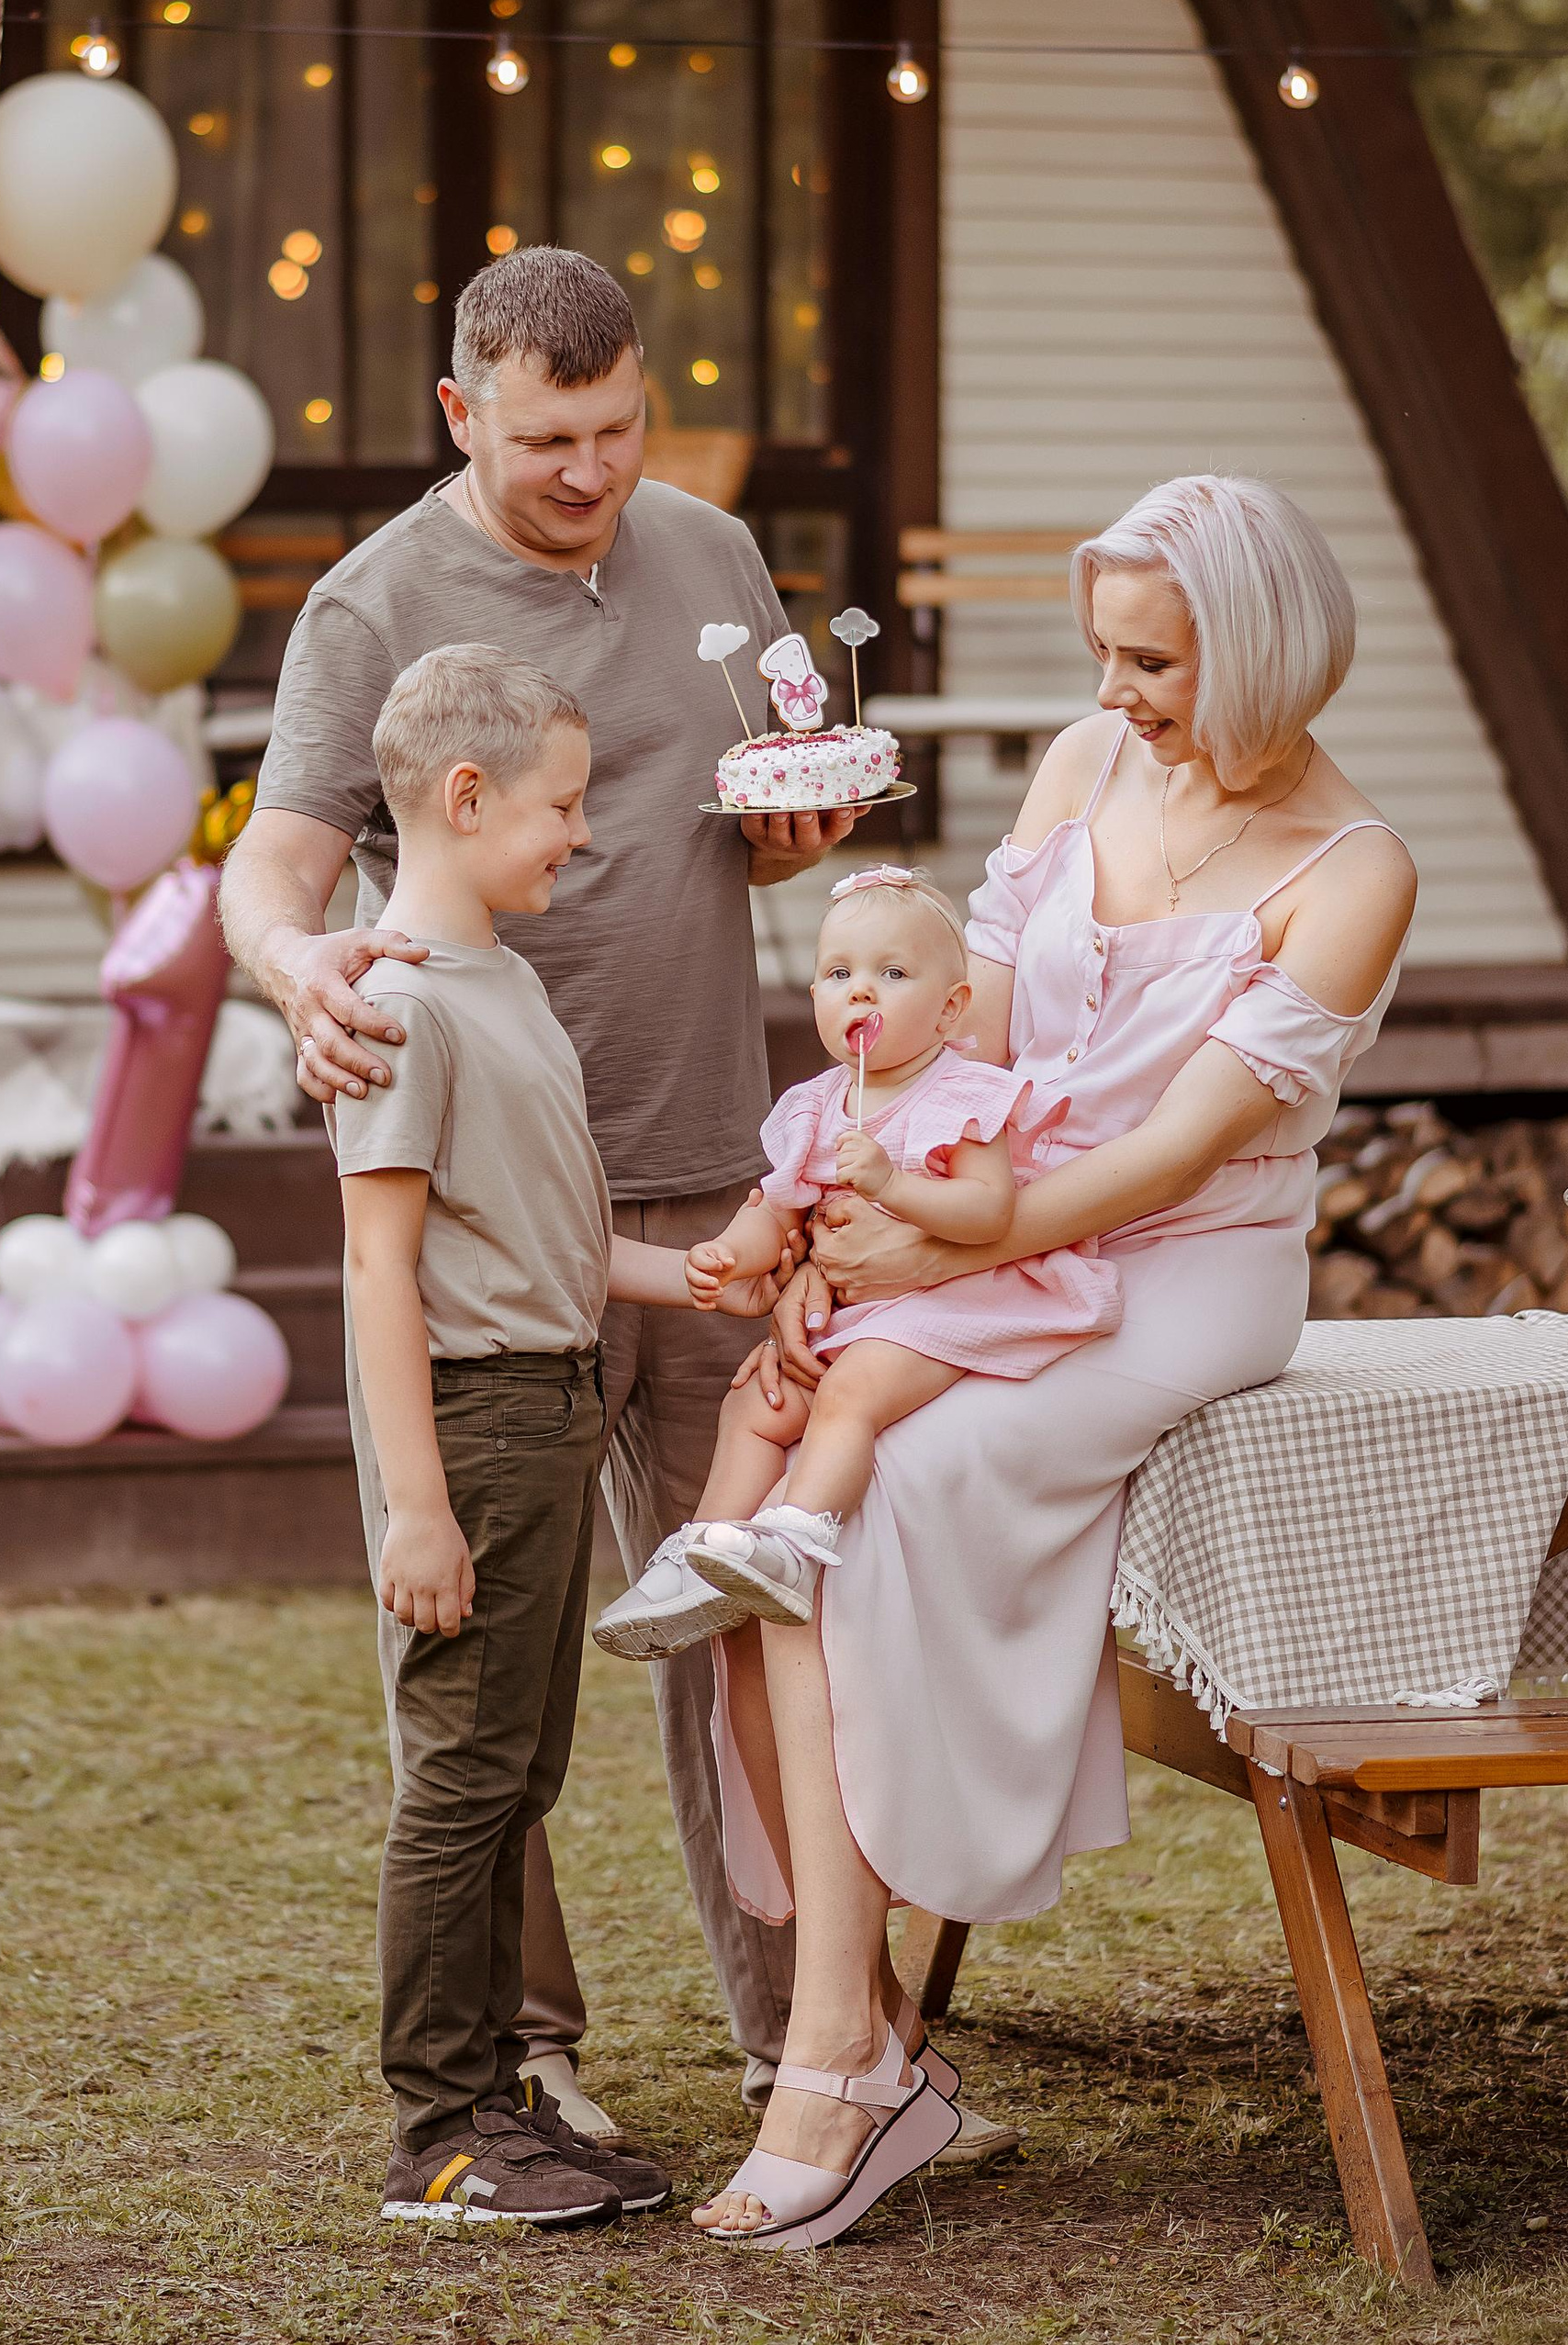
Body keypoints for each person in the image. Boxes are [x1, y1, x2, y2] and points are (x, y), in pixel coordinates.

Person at [689, 473, 1419, 2246]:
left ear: (1261, 654)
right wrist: (843, 1242)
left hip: (1185, 1269)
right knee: (772, 1478)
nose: (1112, 693)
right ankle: (870, 2035)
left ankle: (833, 2061)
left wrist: (947, 1254)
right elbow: (978, 1047)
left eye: (1152, 662)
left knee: (884, 1492)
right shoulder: (1086, 769)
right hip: (985, 1211)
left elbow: (1169, 1157)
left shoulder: (1355, 872)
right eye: (1106, 653)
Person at [221, 246, 851, 2126]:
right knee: (485, 1660)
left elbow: (752, 819)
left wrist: (802, 837)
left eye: (617, 430)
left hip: (709, 1184)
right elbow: (273, 863)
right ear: (458, 414)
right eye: (546, 441)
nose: (590, 474)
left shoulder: (714, 555)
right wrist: (297, 968)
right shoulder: (370, 606)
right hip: (482, 1227)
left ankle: (809, 2039)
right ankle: (523, 2056)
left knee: (757, 1626)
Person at [335, 645, 758, 2225]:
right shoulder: (396, 1008)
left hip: (552, 1402)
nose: (581, 834)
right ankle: (439, 2130)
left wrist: (699, 1276)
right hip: (482, 1422)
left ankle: (504, 2094)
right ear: (465, 798)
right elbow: (379, 1267)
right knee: (463, 1780)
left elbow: (556, 1241)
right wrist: (417, 1507)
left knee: (520, 1773)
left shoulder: (502, 982)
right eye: (562, 805)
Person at [596, 864, 1117, 1643]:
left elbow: (990, 1211)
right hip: (863, 1313)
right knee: (757, 1406)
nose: (861, 991)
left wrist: (892, 1185)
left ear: (951, 1008)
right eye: (839, 974)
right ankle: (702, 1557)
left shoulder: (965, 1094)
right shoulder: (814, 1106)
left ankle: (796, 1539)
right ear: (814, 995)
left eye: (893, 974)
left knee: (851, 1392)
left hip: (952, 1305)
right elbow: (776, 1209)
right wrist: (730, 1253)